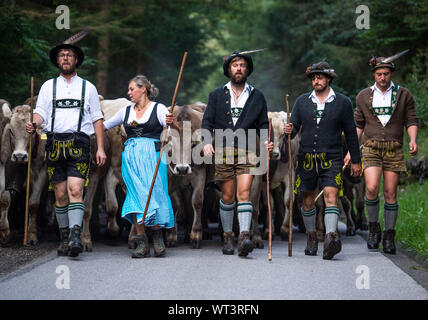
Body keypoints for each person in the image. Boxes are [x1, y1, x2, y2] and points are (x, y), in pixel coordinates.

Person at [26, 38, 106, 258]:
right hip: (53, 143)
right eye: (62, 55)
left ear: (76, 59)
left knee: (75, 190)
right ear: (57, 61)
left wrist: (100, 148)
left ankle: (75, 236)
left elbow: (97, 119)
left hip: (79, 143)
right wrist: (34, 123)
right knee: (60, 195)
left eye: (69, 55)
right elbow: (40, 112)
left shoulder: (87, 87)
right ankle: (63, 237)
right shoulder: (47, 86)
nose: (66, 58)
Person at [284, 60, 361, 260]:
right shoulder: (302, 101)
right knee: (307, 200)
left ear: (328, 79)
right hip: (306, 158)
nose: (316, 81)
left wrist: (355, 160)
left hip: (332, 158)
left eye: (319, 77)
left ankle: (330, 238)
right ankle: (311, 236)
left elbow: (351, 133)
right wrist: (288, 131)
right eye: (313, 78)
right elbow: (293, 130)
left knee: (331, 197)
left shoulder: (343, 102)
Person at [344, 52, 418, 254]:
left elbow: (411, 120)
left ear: (391, 73)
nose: (383, 78)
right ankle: (374, 229)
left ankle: (389, 235)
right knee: (371, 187)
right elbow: (358, 125)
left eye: (386, 74)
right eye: (379, 74)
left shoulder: (404, 95)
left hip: (394, 147)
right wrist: (351, 150)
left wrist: (412, 139)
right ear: (374, 75)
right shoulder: (363, 96)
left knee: (390, 193)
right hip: (370, 147)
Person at [202, 51, 273, 257]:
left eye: (242, 65)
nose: (239, 68)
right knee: (227, 196)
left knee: (244, 193)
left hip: (249, 149)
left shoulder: (257, 95)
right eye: (235, 65)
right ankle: (227, 236)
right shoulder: (216, 95)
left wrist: (265, 141)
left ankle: (244, 236)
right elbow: (207, 121)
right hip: (223, 150)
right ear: (229, 70)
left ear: (247, 69)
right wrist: (207, 142)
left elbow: (262, 123)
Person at [103, 75, 175, 258]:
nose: (129, 93)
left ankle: (158, 238)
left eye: (131, 89)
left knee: (155, 195)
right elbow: (104, 125)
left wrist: (169, 125)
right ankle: (142, 241)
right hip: (131, 158)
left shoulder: (158, 109)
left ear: (143, 89)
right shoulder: (125, 111)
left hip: (153, 156)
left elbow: (169, 130)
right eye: (129, 90)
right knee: (135, 197)